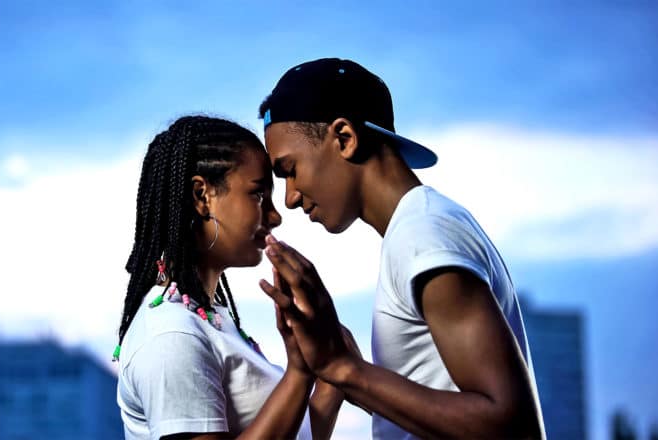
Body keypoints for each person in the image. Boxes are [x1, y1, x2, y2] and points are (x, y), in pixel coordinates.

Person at [257, 58, 545, 439]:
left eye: (290, 169)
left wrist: (345, 368)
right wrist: (351, 374)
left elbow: (510, 424)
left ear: (344, 138)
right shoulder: (416, 230)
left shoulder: (422, 235)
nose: (290, 198)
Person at [114, 115, 346, 440]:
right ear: (201, 195)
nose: (276, 217)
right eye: (258, 195)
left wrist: (329, 371)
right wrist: (298, 370)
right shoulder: (172, 334)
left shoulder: (210, 319)